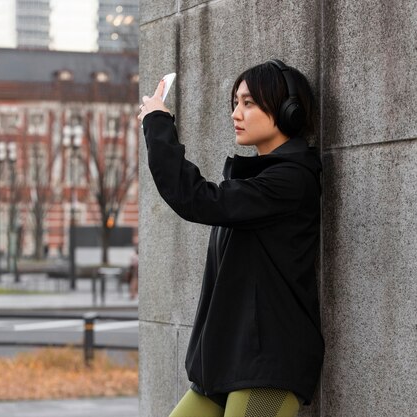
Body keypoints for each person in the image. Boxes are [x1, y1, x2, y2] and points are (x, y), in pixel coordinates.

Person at [138, 59, 324, 417]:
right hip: (228, 364)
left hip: (266, 367)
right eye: (235, 103)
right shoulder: (259, 182)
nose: (236, 113)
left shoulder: (290, 181)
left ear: (289, 111)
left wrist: (157, 123)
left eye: (249, 103)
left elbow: (197, 199)